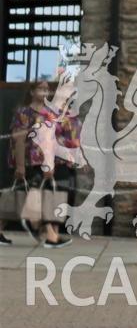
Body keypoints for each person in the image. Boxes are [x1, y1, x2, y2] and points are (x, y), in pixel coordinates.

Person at [8, 74, 79, 247]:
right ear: (32, 91)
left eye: (47, 89)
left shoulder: (53, 112)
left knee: (51, 196)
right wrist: (20, 166)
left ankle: (50, 233)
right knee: (32, 195)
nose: (45, 92)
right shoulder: (26, 113)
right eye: (41, 88)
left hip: (51, 161)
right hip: (32, 161)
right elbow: (19, 139)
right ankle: (46, 231)